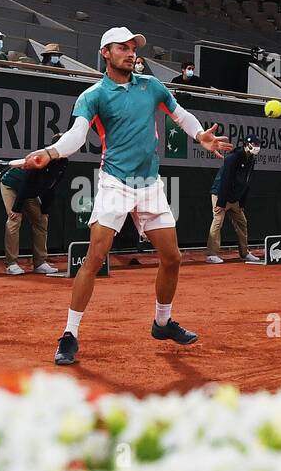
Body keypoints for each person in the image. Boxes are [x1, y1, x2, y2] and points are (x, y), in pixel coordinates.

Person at [16, 26, 232, 366]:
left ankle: (162, 323)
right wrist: (52, 152)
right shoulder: (93, 95)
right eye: (123, 48)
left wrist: (199, 135)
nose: (131, 53)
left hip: (149, 185)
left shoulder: (152, 87)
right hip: (115, 183)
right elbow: (76, 135)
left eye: (134, 48)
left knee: (172, 258)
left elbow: (181, 115)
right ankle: (70, 334)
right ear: (106, 53)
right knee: (95, 257)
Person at [0, 159, 67, 276]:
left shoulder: (62, 164)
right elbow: (24, 185)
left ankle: (40, 263)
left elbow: (50, 188)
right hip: (11, 185)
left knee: (41, 220)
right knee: (15, 219)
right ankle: (11, 264)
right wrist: (16, 208)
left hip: (29, 191)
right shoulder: (38, 165)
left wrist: (44, 209)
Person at [206, 135, 262, 264]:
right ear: (246, 145)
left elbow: (247, 182)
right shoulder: (232, 158)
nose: (257, 147)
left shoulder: (251, 160)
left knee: (242, 223)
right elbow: (226, 180)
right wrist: (221, 202)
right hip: (220, 194)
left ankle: (244, 253)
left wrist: (242, 202)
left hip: (234, 198)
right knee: (218, 222)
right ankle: (211, 254)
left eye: (258, 144)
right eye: (254, 144)